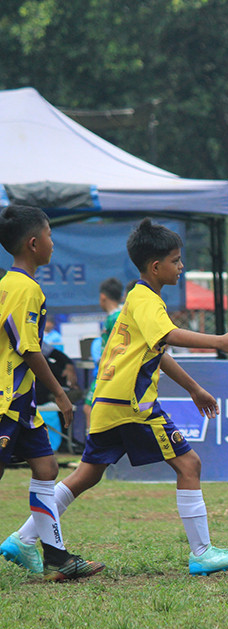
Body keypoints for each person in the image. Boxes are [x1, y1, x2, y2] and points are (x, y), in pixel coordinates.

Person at [6, 218, 228, 576]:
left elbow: (157, 350)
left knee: (86, 475)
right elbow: (168, 336)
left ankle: (23, 537)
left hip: (108, 402)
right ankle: (202, 553)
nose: (181, 266)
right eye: (176, 260)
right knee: (189, 465)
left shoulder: (137, 300)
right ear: (155, 267)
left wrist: (193, 388)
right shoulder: (146, 300)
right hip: (132, 405)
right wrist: (219, 341)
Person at [0, 205, 104, 581]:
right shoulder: (25, 288)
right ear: (33, 243)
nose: (53, 243)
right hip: (7, 400)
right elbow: (28, 349)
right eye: (49, 235)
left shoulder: (10, 284)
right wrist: (60, 394)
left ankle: (57, 560)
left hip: (22, 403)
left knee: (46, 468)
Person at [83, 277, 125, 432]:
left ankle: (93, 443)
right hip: (109, 372)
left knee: (89, 408)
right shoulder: (117, 316)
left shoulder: (115, 318)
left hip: (109, 373)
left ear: (102, 297)